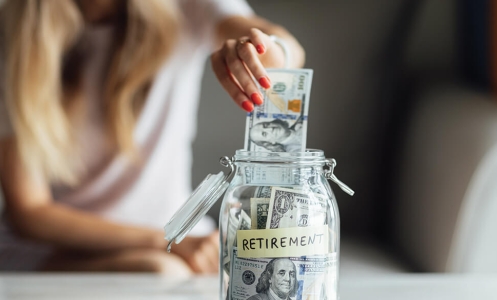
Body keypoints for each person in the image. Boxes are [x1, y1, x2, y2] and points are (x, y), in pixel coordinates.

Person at [0, 0, 305, 274]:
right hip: (60, 247)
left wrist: (263, 53)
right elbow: (28, 211)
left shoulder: (186, 6)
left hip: (182, 244)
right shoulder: (14, 35)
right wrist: (165, 240)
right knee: (161, 270)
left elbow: (286, 48)